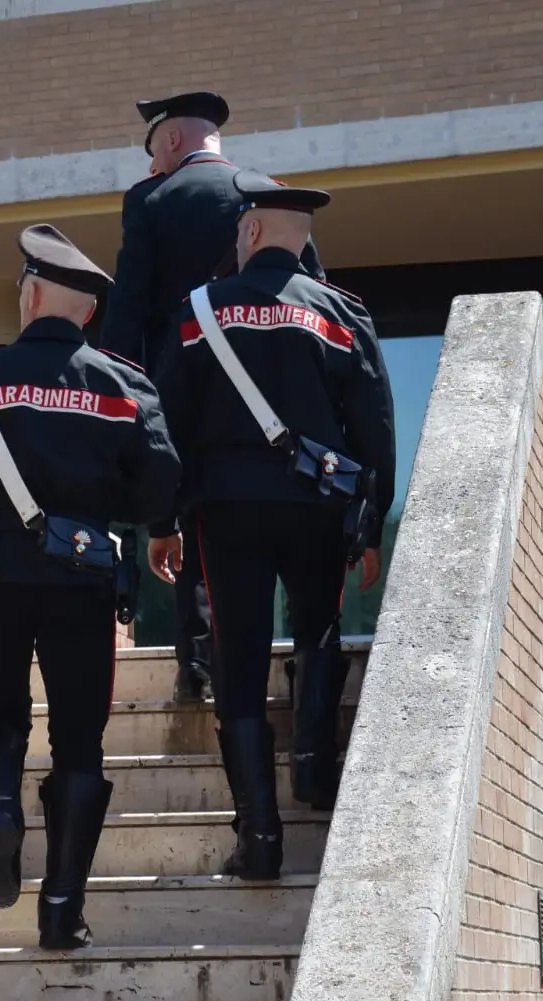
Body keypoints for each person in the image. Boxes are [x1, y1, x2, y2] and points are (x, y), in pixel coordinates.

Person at [0, 225, 181, 948]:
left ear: (29, 296)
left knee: (0, 710)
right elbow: (158, 484)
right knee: (79, 743)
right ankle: (62, 909)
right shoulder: (125, 385)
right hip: (83, 580)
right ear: (88, 313)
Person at [146, 170, 396, 880]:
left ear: (249, 232)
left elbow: (169, 425)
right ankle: (314, 775)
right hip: (317, 506)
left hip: (226, 511)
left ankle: (258, 838)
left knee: (239, 660)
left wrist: (162, 520)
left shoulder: (200, 310)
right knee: (317, 629)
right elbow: (372, 426)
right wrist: (369, 523)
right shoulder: (342, 312)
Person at [100, 91, 326, 705]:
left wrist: (121, 393)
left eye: (154, 151)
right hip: (280, 407)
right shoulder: (274, 195)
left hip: (190, 395)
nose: (151, 166)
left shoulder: (152, 200)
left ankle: (198, 664)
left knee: (198, 526)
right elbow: (315, 292)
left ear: (171, 141)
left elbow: (128, 313)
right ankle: (304, 679)